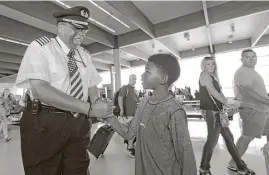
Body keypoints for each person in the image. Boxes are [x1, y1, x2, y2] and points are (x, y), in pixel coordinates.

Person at [15, 6, 113, 175]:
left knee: (78, 169)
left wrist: (97, 101)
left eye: (85, 29)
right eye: (76, 27)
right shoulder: (41, 48)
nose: (82, 33)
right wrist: (88, 109)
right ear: (60, 27)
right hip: (45, 122)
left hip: (78, 123)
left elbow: (91, 84)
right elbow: (40, 89)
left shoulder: (84, 54)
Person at [99, 54, 197, 175]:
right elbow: (129, 133)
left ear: (163, 79)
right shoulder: (144, 103)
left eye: (147, 71)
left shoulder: (174, 111)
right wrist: (109, 116)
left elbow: (185, 154)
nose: (142, 75)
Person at [198, 56, 254, 175]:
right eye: (208, 64)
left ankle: (239, 166)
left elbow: (219, 92)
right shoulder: (204, 75)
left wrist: (226, 103)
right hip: (211, 112)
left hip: (217, 111)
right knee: (212, 141)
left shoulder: (213, 76)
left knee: (229, 138)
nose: (211, 66)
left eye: (213, 64)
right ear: (203, 65)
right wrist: (226, 103)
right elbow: (212, 91)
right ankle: (204, 167)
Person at [230, 49, 269, 172]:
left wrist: (266, 103)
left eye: (253, 56)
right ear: (242, 59)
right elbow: (247, 91)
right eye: (247, 57)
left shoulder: (252, 72)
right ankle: (234, 162)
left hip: (261, 110)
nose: (252, 58)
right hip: (252, 110)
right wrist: (268, 102)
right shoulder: (243, 72)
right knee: (247, 137)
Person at [118, 74, 139, 157]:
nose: (135, 80)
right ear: (129, 79)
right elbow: (120, 98)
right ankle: (130, 147)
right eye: (133, 78)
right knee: (132, 131)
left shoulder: (135, 90)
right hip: (128, 114)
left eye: (135, 79)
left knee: (133, 131)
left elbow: (136, 101)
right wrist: (122, 109)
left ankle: (130, 144)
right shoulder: (125, 88)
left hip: (134, 114)